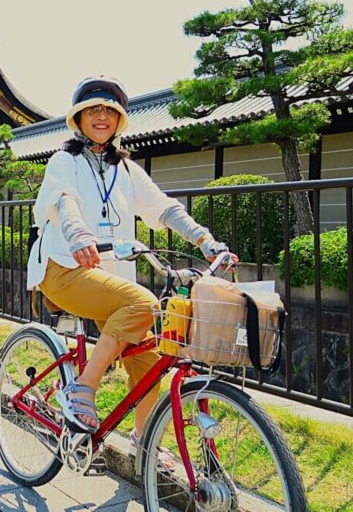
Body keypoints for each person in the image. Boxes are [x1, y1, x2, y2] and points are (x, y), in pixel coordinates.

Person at [28, 76, 234, 446]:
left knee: (148, 361)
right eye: (93, 110)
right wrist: (78, 234)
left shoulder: (124, 169)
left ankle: (144, 443)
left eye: (110, 111)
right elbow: (62, 200)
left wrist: (206, 240)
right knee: (143, 302)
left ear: (119, 121)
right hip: (64, 268)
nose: (102, 116)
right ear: (78, 119)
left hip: (109, 274)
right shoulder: (65, 160)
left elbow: (164, 206)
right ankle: (83, 389)